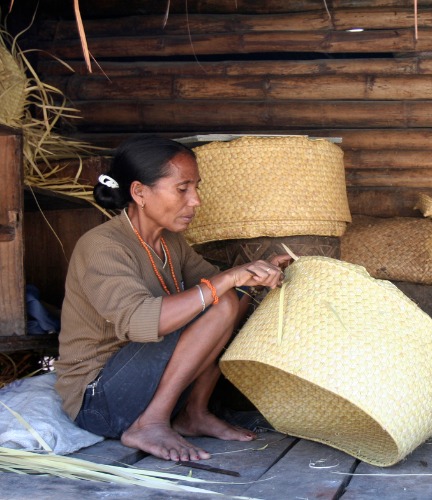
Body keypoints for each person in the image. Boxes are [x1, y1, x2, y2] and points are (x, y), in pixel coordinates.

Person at [55, 135, 293, 462]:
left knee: (231, 300)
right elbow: (141, 322)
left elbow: (218, 286)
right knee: (220, 299)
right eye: (182, 189)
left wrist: (253, 273)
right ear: (139, 192)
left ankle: (192, 413)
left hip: (144, 388)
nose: (195, 201)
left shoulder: (170, 244)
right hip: (100, 401)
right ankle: (150, 423)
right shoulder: (101, 246)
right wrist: (227, 280)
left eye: (196, 188)